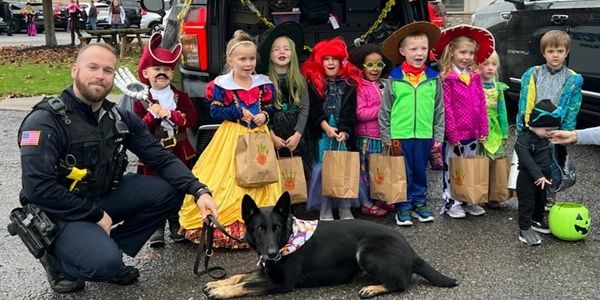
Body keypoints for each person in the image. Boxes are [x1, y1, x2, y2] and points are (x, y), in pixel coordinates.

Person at [17, 43, 217, 293]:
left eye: (108, 70)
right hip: (60, 211)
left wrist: (199, 190)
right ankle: (58, 259)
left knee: (173, 189)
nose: (100, 75)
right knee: (105, 265)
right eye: (93, 67)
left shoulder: (118, 117)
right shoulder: (44, 121)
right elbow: (38, 189)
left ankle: (102, 246)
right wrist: (96, 215)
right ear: (74, 70)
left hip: (102, 195)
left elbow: (160, 158)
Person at [178, 30, 282, 248]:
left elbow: (272, 107)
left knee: (262, 175)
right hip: (232, 137)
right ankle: (228, 224)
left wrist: (265, 115)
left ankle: (266, 226)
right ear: (230, 60)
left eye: (251, 59)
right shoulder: (221, 86)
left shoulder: (263, 83)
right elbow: (215, 113)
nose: (247, 63)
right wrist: (236, 112)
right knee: (227, 179)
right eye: (242, 59)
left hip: (259, 137)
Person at [133, 33, 198, 247]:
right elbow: (137, 128)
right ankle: (156, 227)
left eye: (167, 69)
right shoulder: (142, 100)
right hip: (153, 152)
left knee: (178, 186)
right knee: (155, 188)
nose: (162, 73)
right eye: (157, 69)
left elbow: (192, 119)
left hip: (179, 150)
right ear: (145, 73)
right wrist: (152, 114)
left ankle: (176, 223)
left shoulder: (180, 97)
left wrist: (173, 115)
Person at [378, 22, 444, 225]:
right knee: (402, 172)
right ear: (402, 51)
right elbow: (385, 110)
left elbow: (439, 109)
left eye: (423, 48)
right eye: (413, 49)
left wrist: (438, 135)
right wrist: (387, 136)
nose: (419, 53)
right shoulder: (394, 78)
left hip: (424, 134)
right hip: (400, 135)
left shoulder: (433, 79)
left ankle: (420, 203)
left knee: (419, 170)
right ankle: (403, 206)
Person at [515, 30, 583, 207]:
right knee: (531, 163)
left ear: (566, 52)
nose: (555, 55)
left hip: (555, 131)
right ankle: (531, 199)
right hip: (534, 128)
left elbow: (573, 107)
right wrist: (525, 125)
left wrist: (567, 131)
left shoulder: (572, 79)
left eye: (560, 51)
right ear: (543, 52)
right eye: (551, 51)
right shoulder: (534, 74)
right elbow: (525, 100)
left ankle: (549, 198)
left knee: (552, 165)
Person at [433, 25, 493, 218]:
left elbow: (481, 102)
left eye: (470, 53)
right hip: (456, 133)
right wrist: (452, 132)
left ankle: (468, 198)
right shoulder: (447, 78)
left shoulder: (474, 76)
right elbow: (446, 107)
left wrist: (484, 127)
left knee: (470, 166)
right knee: (454, 167)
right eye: (462, 52)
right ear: (452, 52)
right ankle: (452, 201)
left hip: (473, 131)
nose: (467, 57)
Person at [302, 37, 362, 221]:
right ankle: (325, 207)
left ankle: (344, 207)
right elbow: (314, 109)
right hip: (323, 133)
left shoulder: (349, 83)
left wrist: (344, 130)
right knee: (324, 170)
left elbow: (351, 110)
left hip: (342, 134)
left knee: (344, 168)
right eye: (326, 59)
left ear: (341, 61)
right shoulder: (314, 83)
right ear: (320, 62)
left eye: (334, 59)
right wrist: (326, 126)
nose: (330, 63)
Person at [256, 21, 312, 180]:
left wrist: (298, 134)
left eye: (286, 49)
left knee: (299, 174)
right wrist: (272, 136)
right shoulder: (264, 81)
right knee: (276, 172)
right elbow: (261, 110)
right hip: (274, 133)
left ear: (293, 54)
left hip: (296, 134)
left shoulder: (299, 79)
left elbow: (304, 107)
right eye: (276, 49)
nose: (282, 52)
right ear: (270, 55)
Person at [347, 43, 392, 217]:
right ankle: (365, 202)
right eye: (370, 65)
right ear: (362, 66)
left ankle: (379, 197)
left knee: (379, 170)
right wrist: (383, 108)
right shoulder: (359, 86)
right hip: (366, 138)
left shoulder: (386, 84)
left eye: (379, 65)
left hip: (383, 136)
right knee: (364, 173)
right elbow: (359, 113)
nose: (375, 69)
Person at [514, 99, 561, 245]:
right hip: (528, 178)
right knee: (527, 202)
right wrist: (538, 175)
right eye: (547, 130)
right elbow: (526, 159)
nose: (550, 133)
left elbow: (552, 157)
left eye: (552, 129)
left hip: (544, 177)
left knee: (541, 200)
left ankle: (537, 220)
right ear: (533, 125)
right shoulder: (523, 139)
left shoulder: (546, 138)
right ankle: (525, 228)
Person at [478, 50, 509, 208]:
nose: (490, 68)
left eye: (494, 64)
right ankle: (479, 194)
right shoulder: (474, 85)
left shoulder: (498, 88)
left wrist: (504, 133)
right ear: (478, 65)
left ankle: (494, 194)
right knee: (480, 162)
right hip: (480, 129)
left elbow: (502, 111)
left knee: (495, 163)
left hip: (494, 129)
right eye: (486, 64)